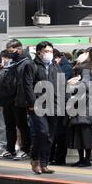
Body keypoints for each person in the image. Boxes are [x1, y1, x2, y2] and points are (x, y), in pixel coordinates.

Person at [23, 41, 61, 174]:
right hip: (38, 105)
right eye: (46, 51)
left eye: (51, 51)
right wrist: (33, 104)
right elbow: (27, 86)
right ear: (39, 52)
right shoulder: (31, 65)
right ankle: (35, 159)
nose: (49, 54)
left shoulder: (55, 66)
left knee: (50, 136)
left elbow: (61, 85)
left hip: (54, 106)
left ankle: (44, 163)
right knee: (42, 133)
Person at [0, 39, 32, 160]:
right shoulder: (13, 62)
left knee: (22, 125)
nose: (9, 53)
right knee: (9, 125)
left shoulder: (26, 62)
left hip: (19, 99)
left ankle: (26, 149)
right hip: (8, 98)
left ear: (19, 49)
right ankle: (10, 149)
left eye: (11, 51)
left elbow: (26, 83)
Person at [67, 48, 92, 167]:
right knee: (78, 134)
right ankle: (82, 159)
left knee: (85, 134)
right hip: (78, 105)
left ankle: (86, 159)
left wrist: (73, 84)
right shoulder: (82, 65)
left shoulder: (86, 67)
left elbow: (86, 85)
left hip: (83, 106)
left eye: (85, 53)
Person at [50, 49, 74, 165]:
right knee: (55, 134)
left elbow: (64, 89)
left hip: (60, 106)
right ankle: (53, 157)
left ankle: (59, 158)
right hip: (55, 105)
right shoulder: (55, 68)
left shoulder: (62, 69)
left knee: (60, 134)